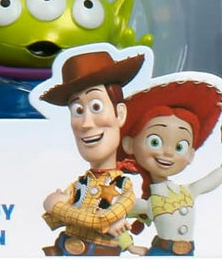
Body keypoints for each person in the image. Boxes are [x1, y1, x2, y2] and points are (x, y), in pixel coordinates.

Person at [37, 48, 144, 256]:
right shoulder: (80, 184)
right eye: (77, 110)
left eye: (96, 106)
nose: (86, 123)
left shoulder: (124, 187)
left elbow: (100, 220)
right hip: (64, 249)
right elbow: (51, 218)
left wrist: (57, 206)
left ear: (120, 114)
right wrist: (54, 208)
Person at [120, 80, 222, 256]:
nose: (168, 153)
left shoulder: (189, 192)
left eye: (180, 147)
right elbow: (107, 216)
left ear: (190, 154)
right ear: (129, 145)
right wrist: (128, 245)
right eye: (155, 142)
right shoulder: (148, 204)